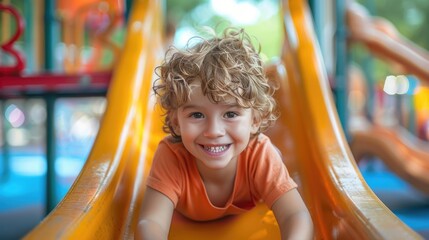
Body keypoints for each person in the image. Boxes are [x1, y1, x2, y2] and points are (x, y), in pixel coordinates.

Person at [136, 27, 313, 240]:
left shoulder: (259, 155)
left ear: (255, 120)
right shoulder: (172, 156)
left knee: (271, 156)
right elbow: (151, 222)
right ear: (176, 121)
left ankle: (277, 174)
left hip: (259, 168)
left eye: (230, 113)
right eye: (197, 115)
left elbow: (296, 215)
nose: (213, 132)